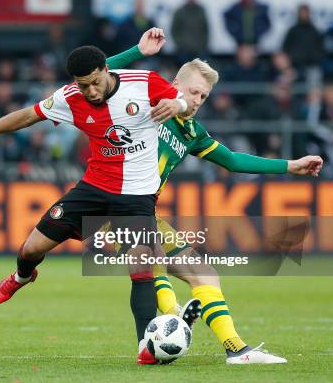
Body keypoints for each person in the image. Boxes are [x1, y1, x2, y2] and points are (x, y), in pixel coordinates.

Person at [0, 28, 195, 365]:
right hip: (92, 188)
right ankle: (22, 276)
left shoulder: (144, 82)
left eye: (95, 82)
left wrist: (176, 103)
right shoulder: (70, 97)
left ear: (107, 70)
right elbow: (27, 115)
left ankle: (144, 347)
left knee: (141, 270)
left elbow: (188, 104)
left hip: (137, 195)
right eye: (83, 84)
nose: (90, 91)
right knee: (31, 248)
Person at [106, 50, 323, 364]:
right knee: (153, 266)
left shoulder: (191, 133)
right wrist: (138, 52)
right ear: (174, 84)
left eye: (203, 96)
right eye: (193, 92)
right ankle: (172, 317)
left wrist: (290, 165)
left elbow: (233, 160)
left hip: (147, 216)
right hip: (111, 206)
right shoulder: (145, 103)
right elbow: (98, 74)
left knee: (205, 275)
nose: (196, 100)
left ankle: (236, 349)